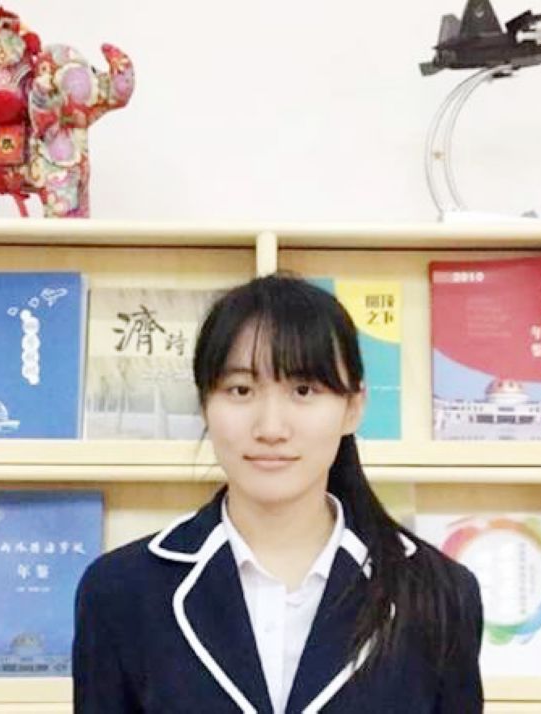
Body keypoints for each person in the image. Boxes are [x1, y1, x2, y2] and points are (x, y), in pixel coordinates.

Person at [72, 273, 483, 713]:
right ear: (204, 403)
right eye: (241, 390)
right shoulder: (119, 591)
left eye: (303, 390)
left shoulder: (439, 594)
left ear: (353, 407)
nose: (271, 428)